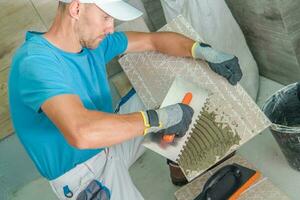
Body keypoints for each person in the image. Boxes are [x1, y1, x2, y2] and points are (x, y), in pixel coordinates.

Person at [8, 0, 242, 199]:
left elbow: (153, 41)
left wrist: (202, 51)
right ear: (76, 9)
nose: (111, 28)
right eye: (106, 17)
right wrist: (163, 117)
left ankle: (178, 164)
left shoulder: (90, 46)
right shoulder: (35, 62)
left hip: (110, 142)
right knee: (159, 112)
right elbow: (81, 132)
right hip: (83, 174)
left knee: (167, 81)